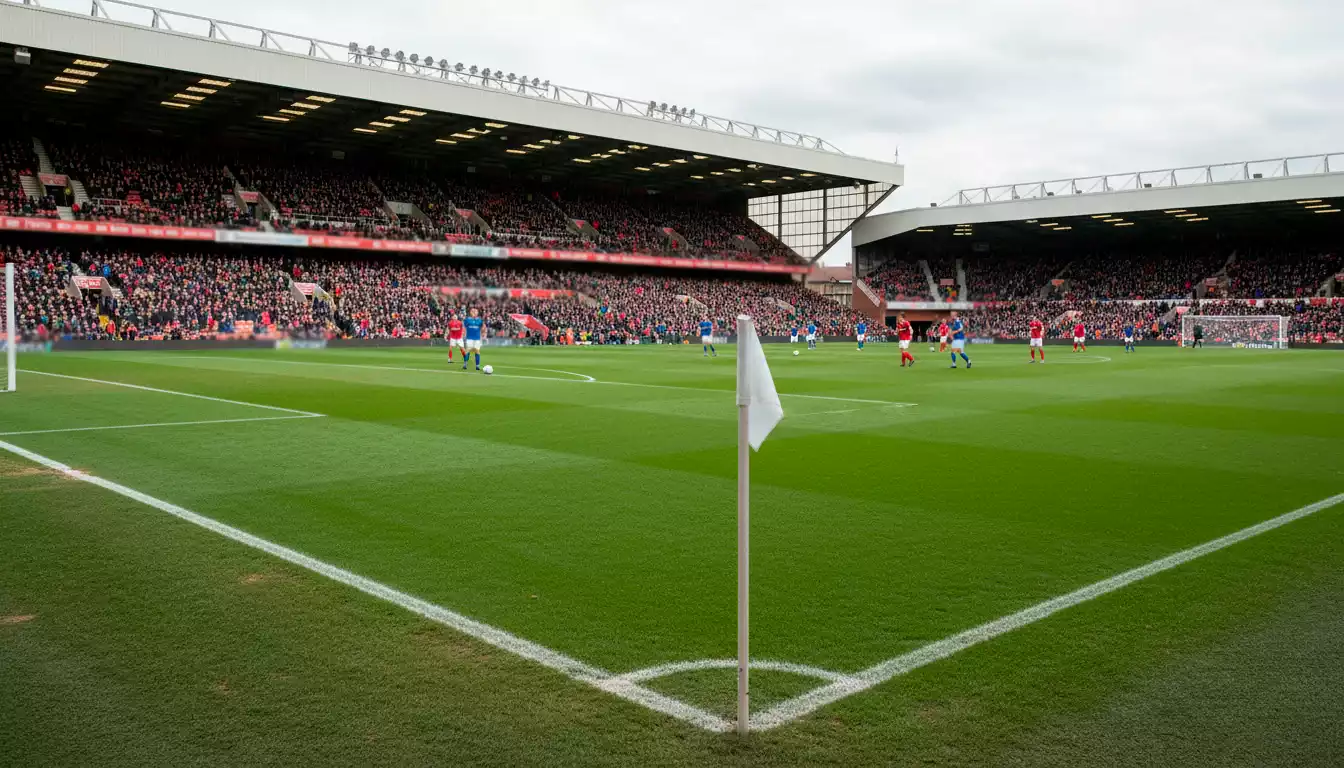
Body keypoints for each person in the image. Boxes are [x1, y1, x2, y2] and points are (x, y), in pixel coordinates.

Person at [463, 307, 484, 371]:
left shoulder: (480, 320)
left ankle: (477, 366)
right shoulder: (467, 320)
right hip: (469, 338)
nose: (474, 312)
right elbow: (464, 327)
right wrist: (463, 335)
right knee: (468, 350)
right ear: (470, 312)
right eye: (473, 311)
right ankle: (465, 364)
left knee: (477, 351)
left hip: (477, 338)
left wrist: (483, 334)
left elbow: (483, 327)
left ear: (477, 313)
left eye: (475, 311)